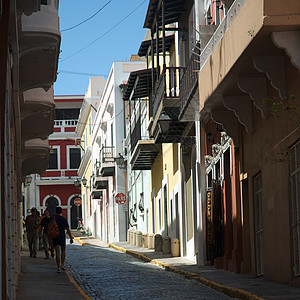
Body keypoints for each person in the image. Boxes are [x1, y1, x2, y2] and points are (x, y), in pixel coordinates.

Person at [53, 206, 73, 273]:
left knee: (57, 252)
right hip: (62, 236)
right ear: (61, 212)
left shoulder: (53, 219)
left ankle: (58, 267)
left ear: (55, 211)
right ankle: (62, 265)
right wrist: (70, 237)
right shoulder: (63, 219)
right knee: (63, 251)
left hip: (55, 236)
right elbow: (67, 229)